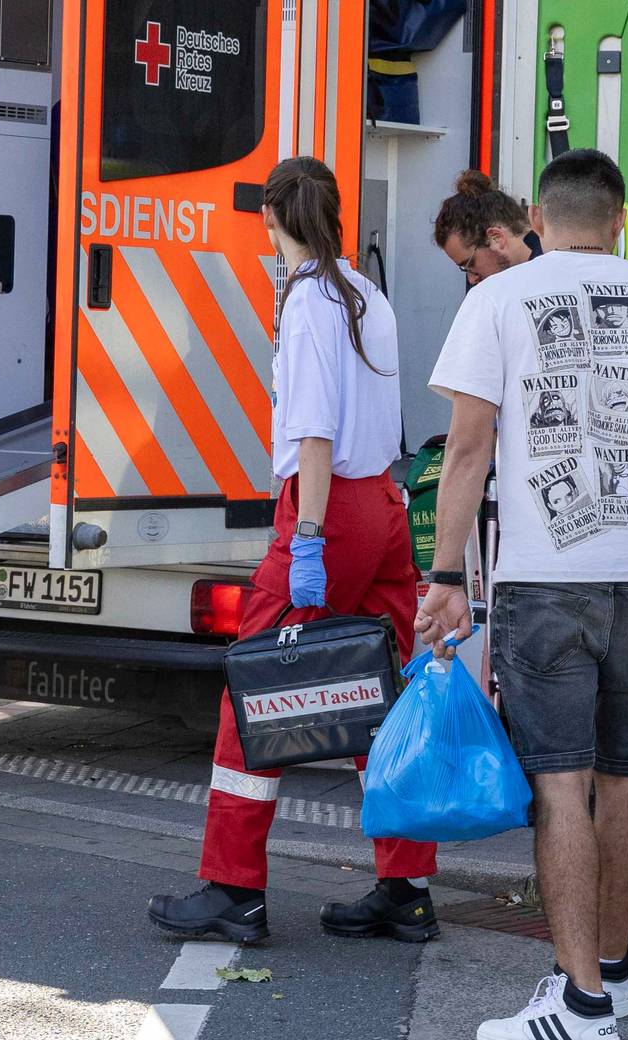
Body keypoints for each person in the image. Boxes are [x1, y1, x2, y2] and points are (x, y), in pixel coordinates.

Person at [418, 149, 628, 1039]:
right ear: (619, 221)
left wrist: (447, 577)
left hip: (547, 584)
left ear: (539, 213)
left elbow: (466, 450)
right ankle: (617, 970)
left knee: (561, 786)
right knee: (624, 780)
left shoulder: (496, 300)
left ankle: (578, 1004)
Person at [150, 157, 439, 946]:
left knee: (257, 688)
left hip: (330, 511)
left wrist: (307, 537)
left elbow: (313, 432)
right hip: (382, 500)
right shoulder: (365, 293)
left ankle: (232, 889)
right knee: (382, 698)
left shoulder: (309, 302)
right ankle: (406, 888)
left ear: (272, 220)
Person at [432, 169, 540, 286]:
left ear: (496, 237)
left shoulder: (542, 278)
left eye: (470, 265)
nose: (472, 279)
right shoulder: (551, 259)